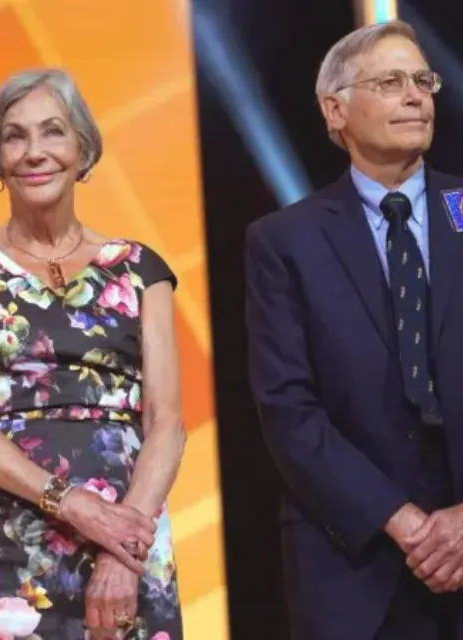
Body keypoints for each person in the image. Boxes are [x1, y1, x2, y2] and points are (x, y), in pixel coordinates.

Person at [0, 68, 186, 639]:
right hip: (6, 537)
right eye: (15, 136)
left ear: (83, 149)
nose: (35, 152)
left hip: (129, 531)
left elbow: (167, 423)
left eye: (52, 132)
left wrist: (124, 542)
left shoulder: (142, 271)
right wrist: (72, 504)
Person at [245, 19, 463, 640]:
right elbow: (288, 409)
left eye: (423, 80)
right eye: (391, 82)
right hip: (353, 557)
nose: (416, 96)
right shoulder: (283, 241)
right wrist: (404, 522)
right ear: (335, 110)